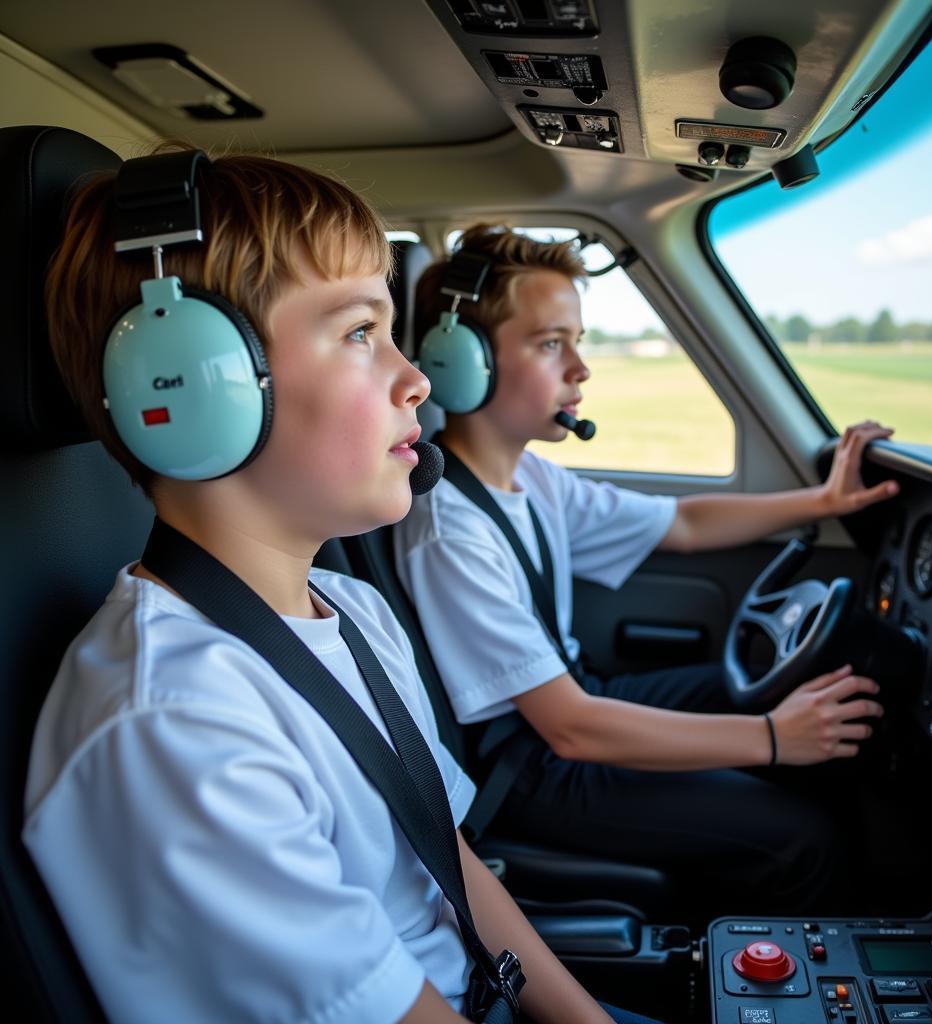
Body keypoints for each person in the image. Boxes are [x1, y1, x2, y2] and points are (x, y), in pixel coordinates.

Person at [22, 152, 660, 1024]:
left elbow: (446, 860)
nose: (418, 380)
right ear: (186, 380)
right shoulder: (177, 725)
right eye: (361, 332)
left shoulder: (347, 608)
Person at [394, 223, 900, 916]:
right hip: (535, 767)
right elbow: (571, 727)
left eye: (578, 341)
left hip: (574, 709)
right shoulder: (450, 528)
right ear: (462, 361)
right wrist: (775, 738)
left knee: (798, 686)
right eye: (551, 344)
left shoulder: (534, 479)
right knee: (801, 840)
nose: (581, 369)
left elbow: (684, 525)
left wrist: (825, 500)